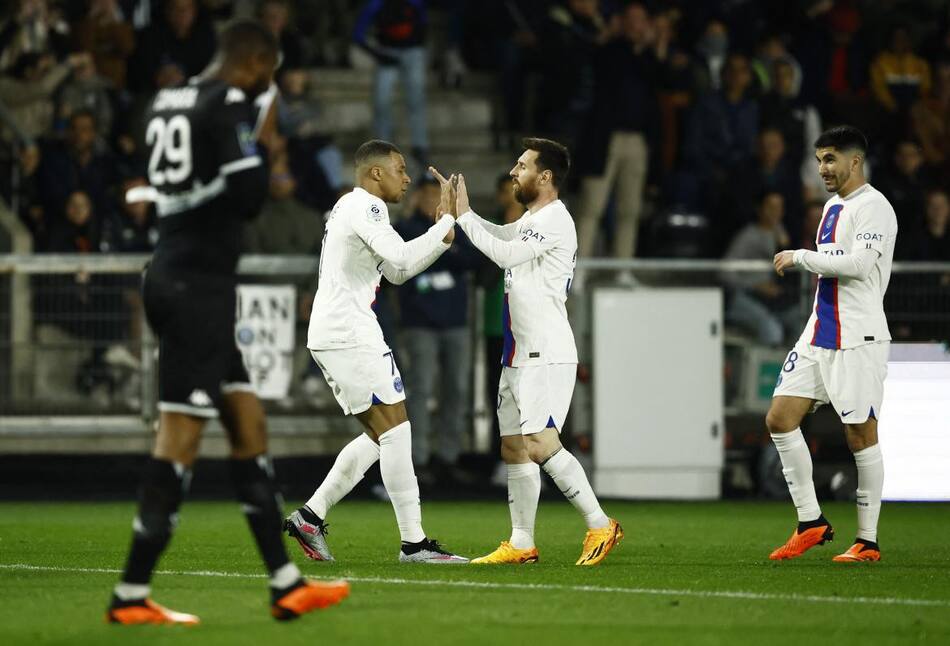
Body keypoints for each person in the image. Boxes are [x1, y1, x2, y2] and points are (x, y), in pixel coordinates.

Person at [106, 20, 349, 626]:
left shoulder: (168, 97)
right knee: (179, 437)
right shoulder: (230, 103)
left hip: (183, 277)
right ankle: (131, 594)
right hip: (194, 287)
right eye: (266, 75)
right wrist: (263, 144)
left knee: (247, 420)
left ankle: (287, 584)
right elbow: (247, 196)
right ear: (255, 63)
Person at [284, 140, 468, 564]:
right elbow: (401, 254)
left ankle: (310, 517)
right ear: (375, 174)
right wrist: (443, 223)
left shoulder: (351, 208)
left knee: (380, 434)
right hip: (351, 331)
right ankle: (414, 544)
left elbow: (399, 270)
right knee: (397, 430)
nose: (407, 178)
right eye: (400, 169)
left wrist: (441, 231)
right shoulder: (366, 205)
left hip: (338, 331)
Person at [440, 138, 622, 566]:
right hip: (518, 352)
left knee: (540, 444)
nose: (512, 172)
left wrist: (463, 216)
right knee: (514, 448)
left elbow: (504, 254)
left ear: (545, 177)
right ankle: (522, 542)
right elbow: (503, 235)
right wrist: (460, 216)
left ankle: (600, 523)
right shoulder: (530, 218)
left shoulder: (556, 219)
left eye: (521, 166)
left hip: (546, 350)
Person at [768, 126, 898, 563]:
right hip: (819, 331)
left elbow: (860, 266)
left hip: (857, 335)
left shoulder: (875, 207)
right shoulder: (832, 206)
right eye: (819, 159)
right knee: (780, 418)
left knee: (860, 434)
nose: (822, 168)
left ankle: (868, 540)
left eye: (829, 159)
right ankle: (811, 522)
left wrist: (800, 256)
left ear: (854, 161)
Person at [394, 176, 481, 479]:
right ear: (416, 197)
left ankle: (448, 457)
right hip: (420, 323)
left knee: (456, 390)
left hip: (456, 322)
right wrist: (445, 251)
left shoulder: (456, 229)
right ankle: (417, 460)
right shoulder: (405, 229)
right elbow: (408, 263)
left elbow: (471, 259)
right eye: (428, 194)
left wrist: (445, 250)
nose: (434, 200)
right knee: (421, 390)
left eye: (439, 195)